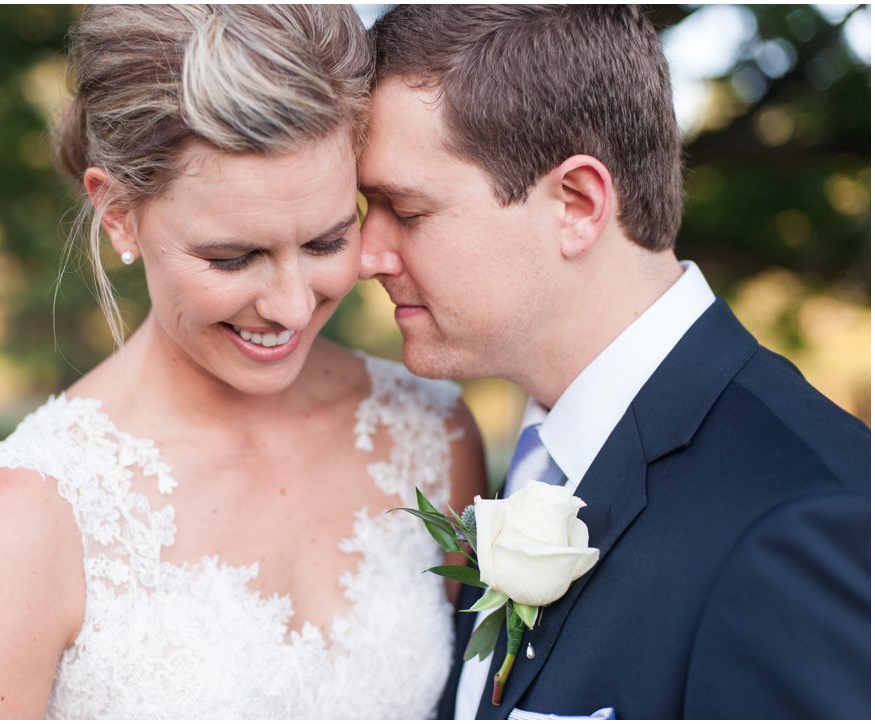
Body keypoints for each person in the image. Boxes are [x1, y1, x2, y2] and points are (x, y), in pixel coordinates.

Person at [0, 5, 487, 719]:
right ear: (117, 212)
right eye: (233, 257)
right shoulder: (27, 521)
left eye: (328, 243)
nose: (293, 307)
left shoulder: (432, 432)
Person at [359, 5, 870, 720]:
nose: (365, 256)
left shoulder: (807, 525)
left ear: (576, 202)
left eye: (405, 211)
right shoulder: (532, 456)